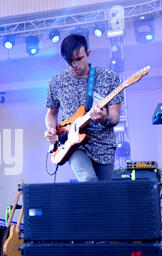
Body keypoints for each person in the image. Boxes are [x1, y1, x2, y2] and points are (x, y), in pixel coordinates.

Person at [44, 34, 124, 182]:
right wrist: (51, 129)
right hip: (73, 143)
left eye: (79, 59)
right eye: (69, 61)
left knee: (102, 194)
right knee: (88, 179)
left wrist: (104, 119)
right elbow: (51, 113)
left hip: (103, 145)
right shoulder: (56, 82)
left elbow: (115, 117)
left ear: (88, 53)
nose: (74, 65)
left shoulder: (109, 77)